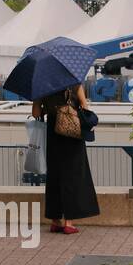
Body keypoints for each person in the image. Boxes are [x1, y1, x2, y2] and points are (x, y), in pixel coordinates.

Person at [32, 83, 100, 234]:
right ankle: (69, 222)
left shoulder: (42, 87)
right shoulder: (74, 84)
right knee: (73, 174)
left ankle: (55, 220)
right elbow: (84, 105)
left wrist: (47, 108)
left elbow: (36, 113)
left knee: (54, 175)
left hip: (53, 133)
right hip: (72, 133)